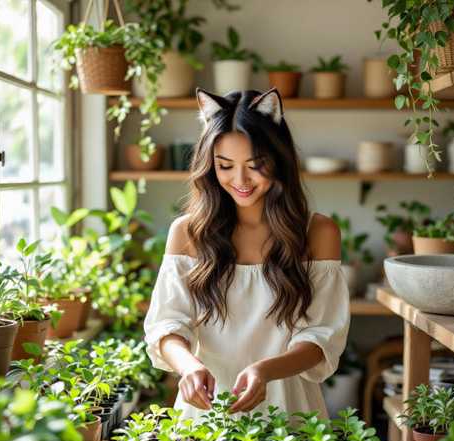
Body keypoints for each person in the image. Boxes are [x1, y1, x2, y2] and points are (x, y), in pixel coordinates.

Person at [144, 87, 350, 422]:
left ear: (279, 161)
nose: (240, 180)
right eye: (225, 166)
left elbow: (321, 337)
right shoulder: (187, 233)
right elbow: (166, 324)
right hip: (205, 414)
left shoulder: (319, 234)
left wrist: (265, 371)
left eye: (255, 165)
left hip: (291, 414)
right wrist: (189, 367)